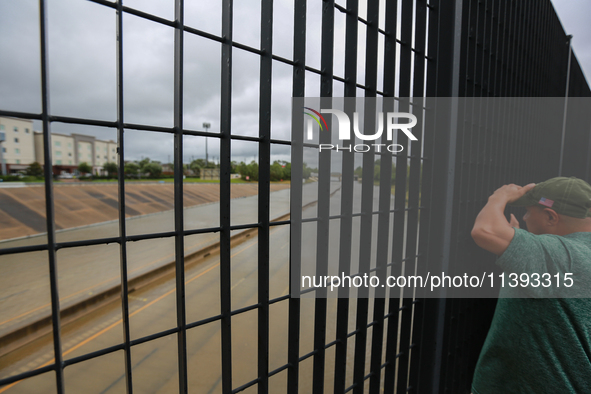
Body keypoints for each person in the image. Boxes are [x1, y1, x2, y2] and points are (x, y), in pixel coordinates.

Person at [470, 177, 591, 394]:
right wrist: (521, 242)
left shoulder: (560, 256)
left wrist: (500, 196)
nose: (524, 218)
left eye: (527, 211)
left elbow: (485, 230)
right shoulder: (576, 254)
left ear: (550, 216)